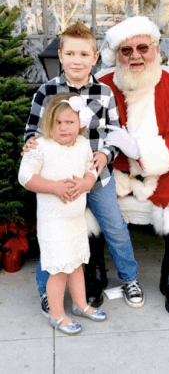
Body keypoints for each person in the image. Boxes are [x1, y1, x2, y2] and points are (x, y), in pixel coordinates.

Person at [90, 15, 169, 316]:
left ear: (155, 49)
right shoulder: (101, 86)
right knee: (82, 188)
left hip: (163, 172)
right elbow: (86, 135)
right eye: (126, 50)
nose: (135, 56)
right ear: (117, 54)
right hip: (111, 170)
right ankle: (93, 273)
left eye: (142, 48)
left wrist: (140, 155)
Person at [22, 20, 145, 317]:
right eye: (71, 54)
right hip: (59, 180)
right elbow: (32, 131)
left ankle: (130, 279)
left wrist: (105, 155)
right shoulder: (47, 91)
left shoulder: (104, 93)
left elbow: (115, 134)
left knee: (116, 228)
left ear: (95, 58)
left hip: (97, 177)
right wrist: (30, 145)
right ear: (61, 57)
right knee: (54, 234)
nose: (77, 60)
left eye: (83, 55)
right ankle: (46, 290)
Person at [18, 93, 107, 335]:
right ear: (48, 122)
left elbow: (91, 168)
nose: (63, 127)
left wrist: (88, 182)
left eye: (69, 122)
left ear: (80, 123)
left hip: (76, 220)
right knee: (58, 271)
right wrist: (54, 187)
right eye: (57, 122)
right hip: (53, 222)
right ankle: (57, 314)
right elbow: (25, 177)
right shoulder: (40, 147)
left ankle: (80, 305)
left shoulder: (81, 145)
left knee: (76, 264)